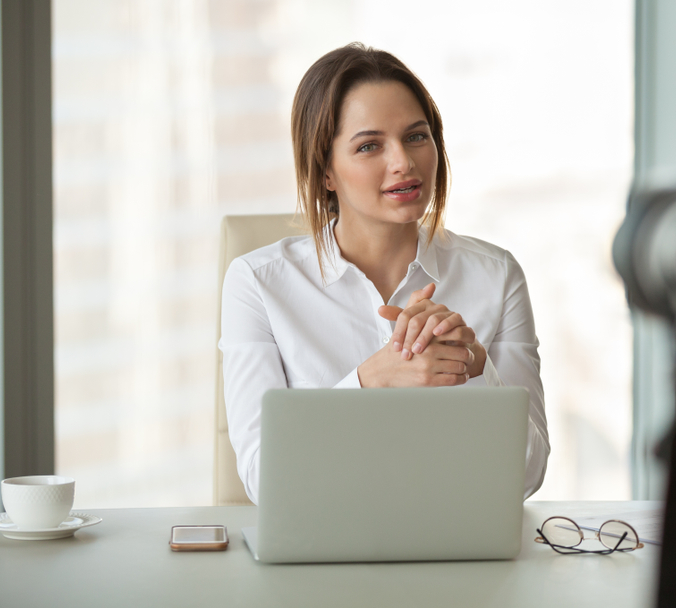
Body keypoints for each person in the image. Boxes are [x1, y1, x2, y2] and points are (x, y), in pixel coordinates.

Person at [219, 43, 549, 503]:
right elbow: (264, 479)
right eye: (369, 145)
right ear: (326, 172)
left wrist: (474, 367)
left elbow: (528, 475)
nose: (403, 163)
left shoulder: (497, 276)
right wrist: (372, 380)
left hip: (457, 555)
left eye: (416, 136)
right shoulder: (257, 283)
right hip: (322, 560)